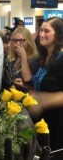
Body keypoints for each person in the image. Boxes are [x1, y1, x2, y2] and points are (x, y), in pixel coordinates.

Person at [26, 17, 63, 151]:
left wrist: (44, 100)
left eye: (47, 31)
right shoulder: (42, 58)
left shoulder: (61, 59)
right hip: (41, 121)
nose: (41, 34)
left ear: (58, 34)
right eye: (40, 30)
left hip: (57, 122)